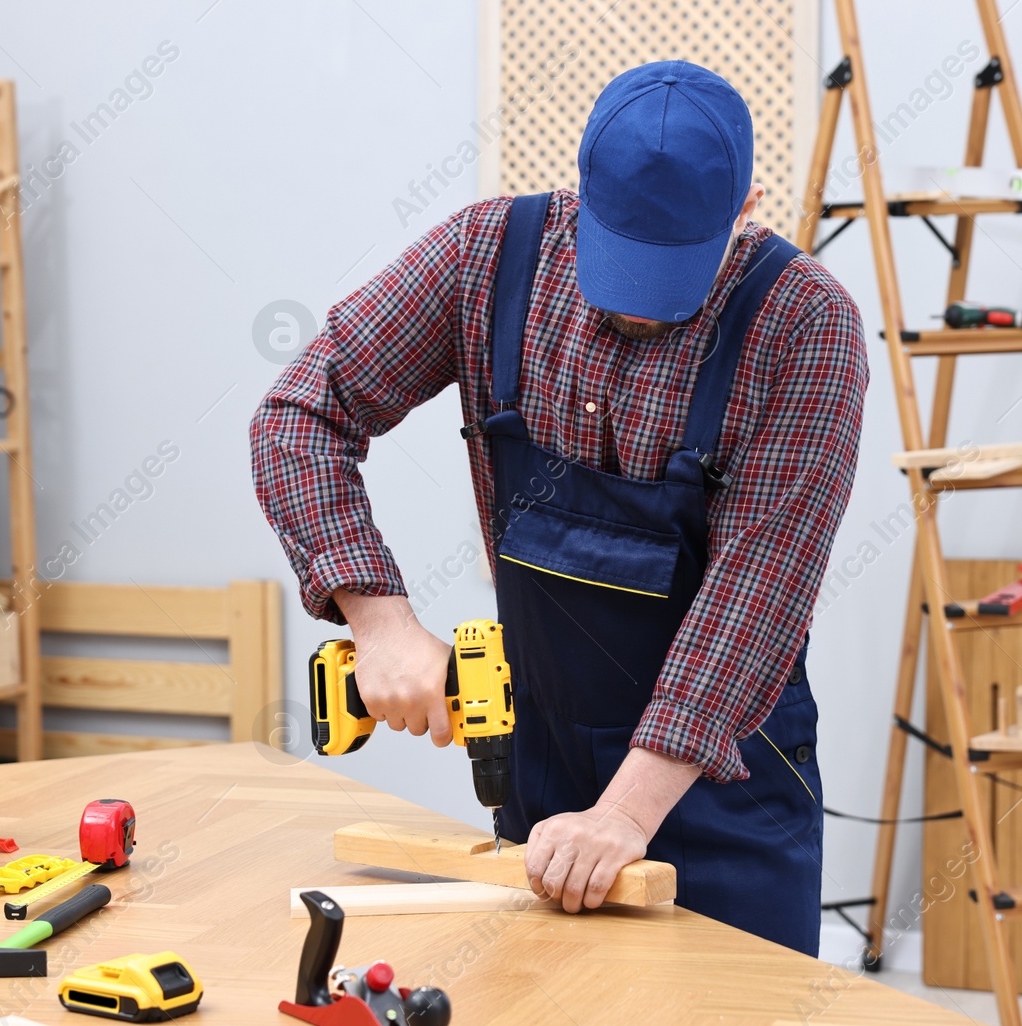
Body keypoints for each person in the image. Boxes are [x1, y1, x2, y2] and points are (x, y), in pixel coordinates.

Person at [251, 60, 867, 953]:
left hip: (723, 787)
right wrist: (377, 617)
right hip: (541, 780)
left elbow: (756, 595)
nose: (641, 314)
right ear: (579, 196)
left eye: (672, 281)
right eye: (618, 266)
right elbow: (301, 411)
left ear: (747, 210)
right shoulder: (486, 255)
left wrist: (622, 814)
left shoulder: (804, 324)